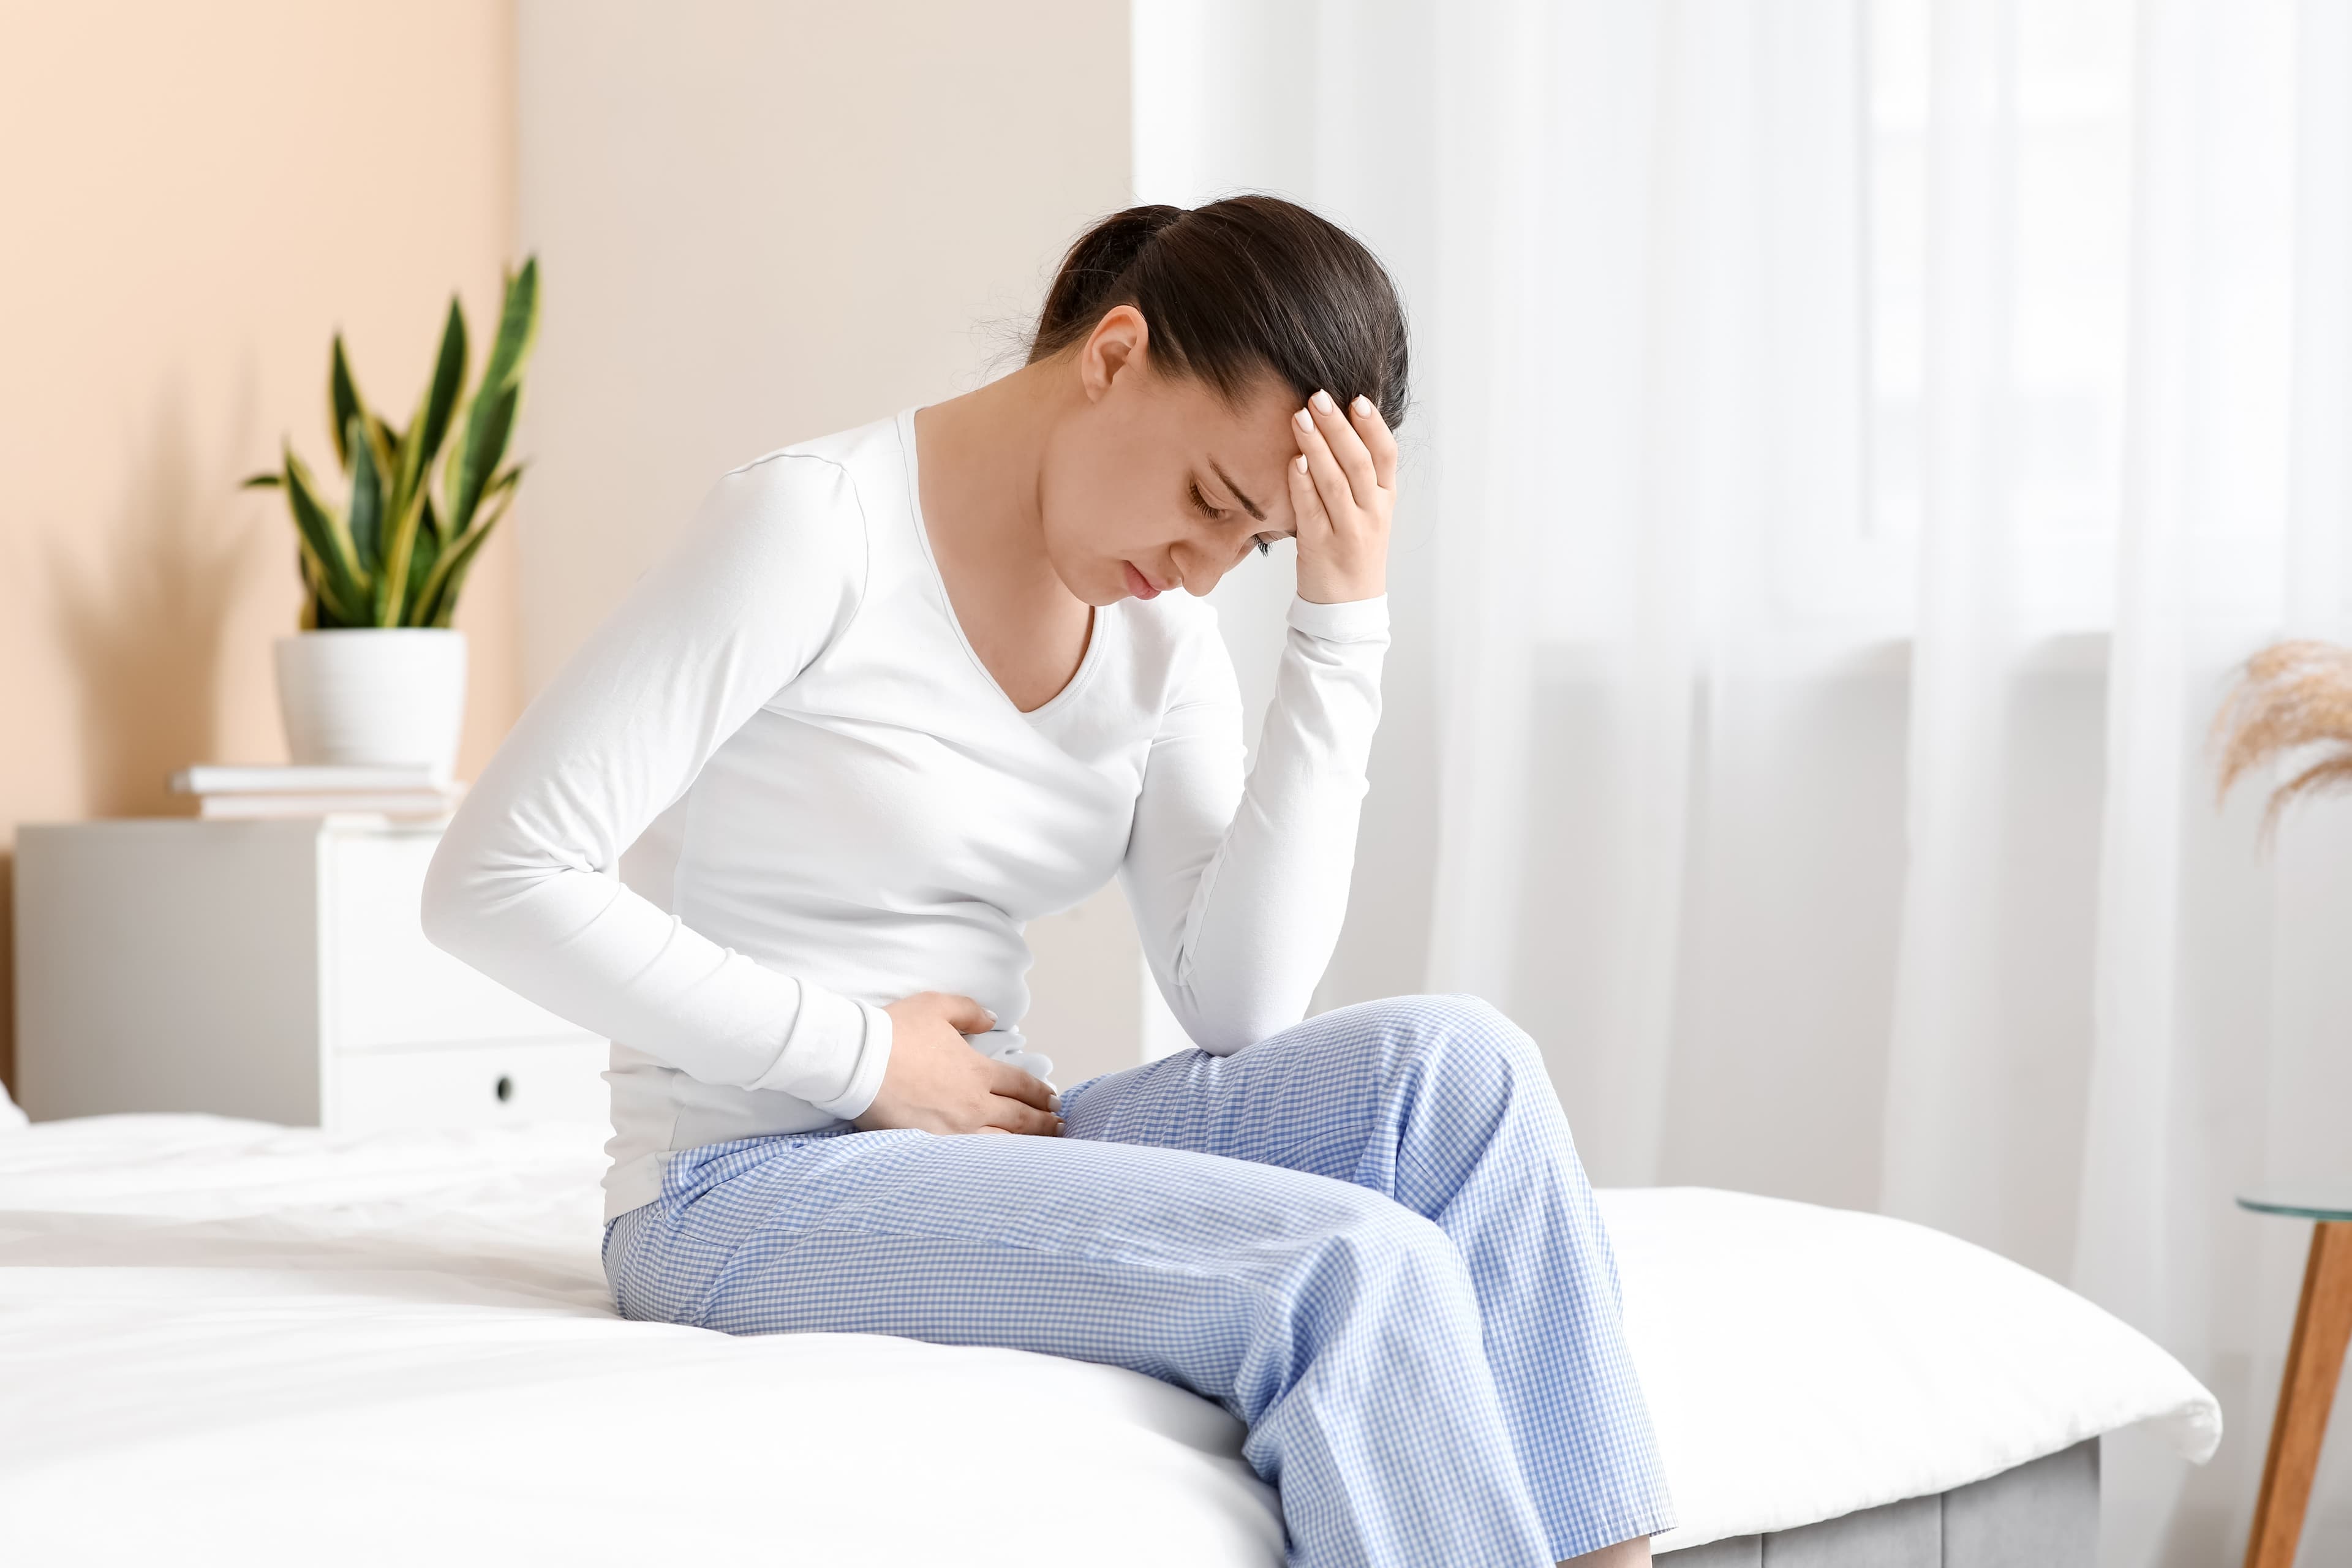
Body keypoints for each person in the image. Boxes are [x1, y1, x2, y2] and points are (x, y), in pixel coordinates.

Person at [421, 195, 1673, 1568]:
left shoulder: (1160, 629)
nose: (1202, 567)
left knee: (1464, 1073)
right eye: (1212, 497)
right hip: (737, 1185)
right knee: (1347, 1266)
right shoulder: (813, 528)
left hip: (986, 1135)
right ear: (1116, 352)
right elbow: (494, 876)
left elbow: (1240, 1002)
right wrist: (860, 1057)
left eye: (1253, 544)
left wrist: (1342, 623)